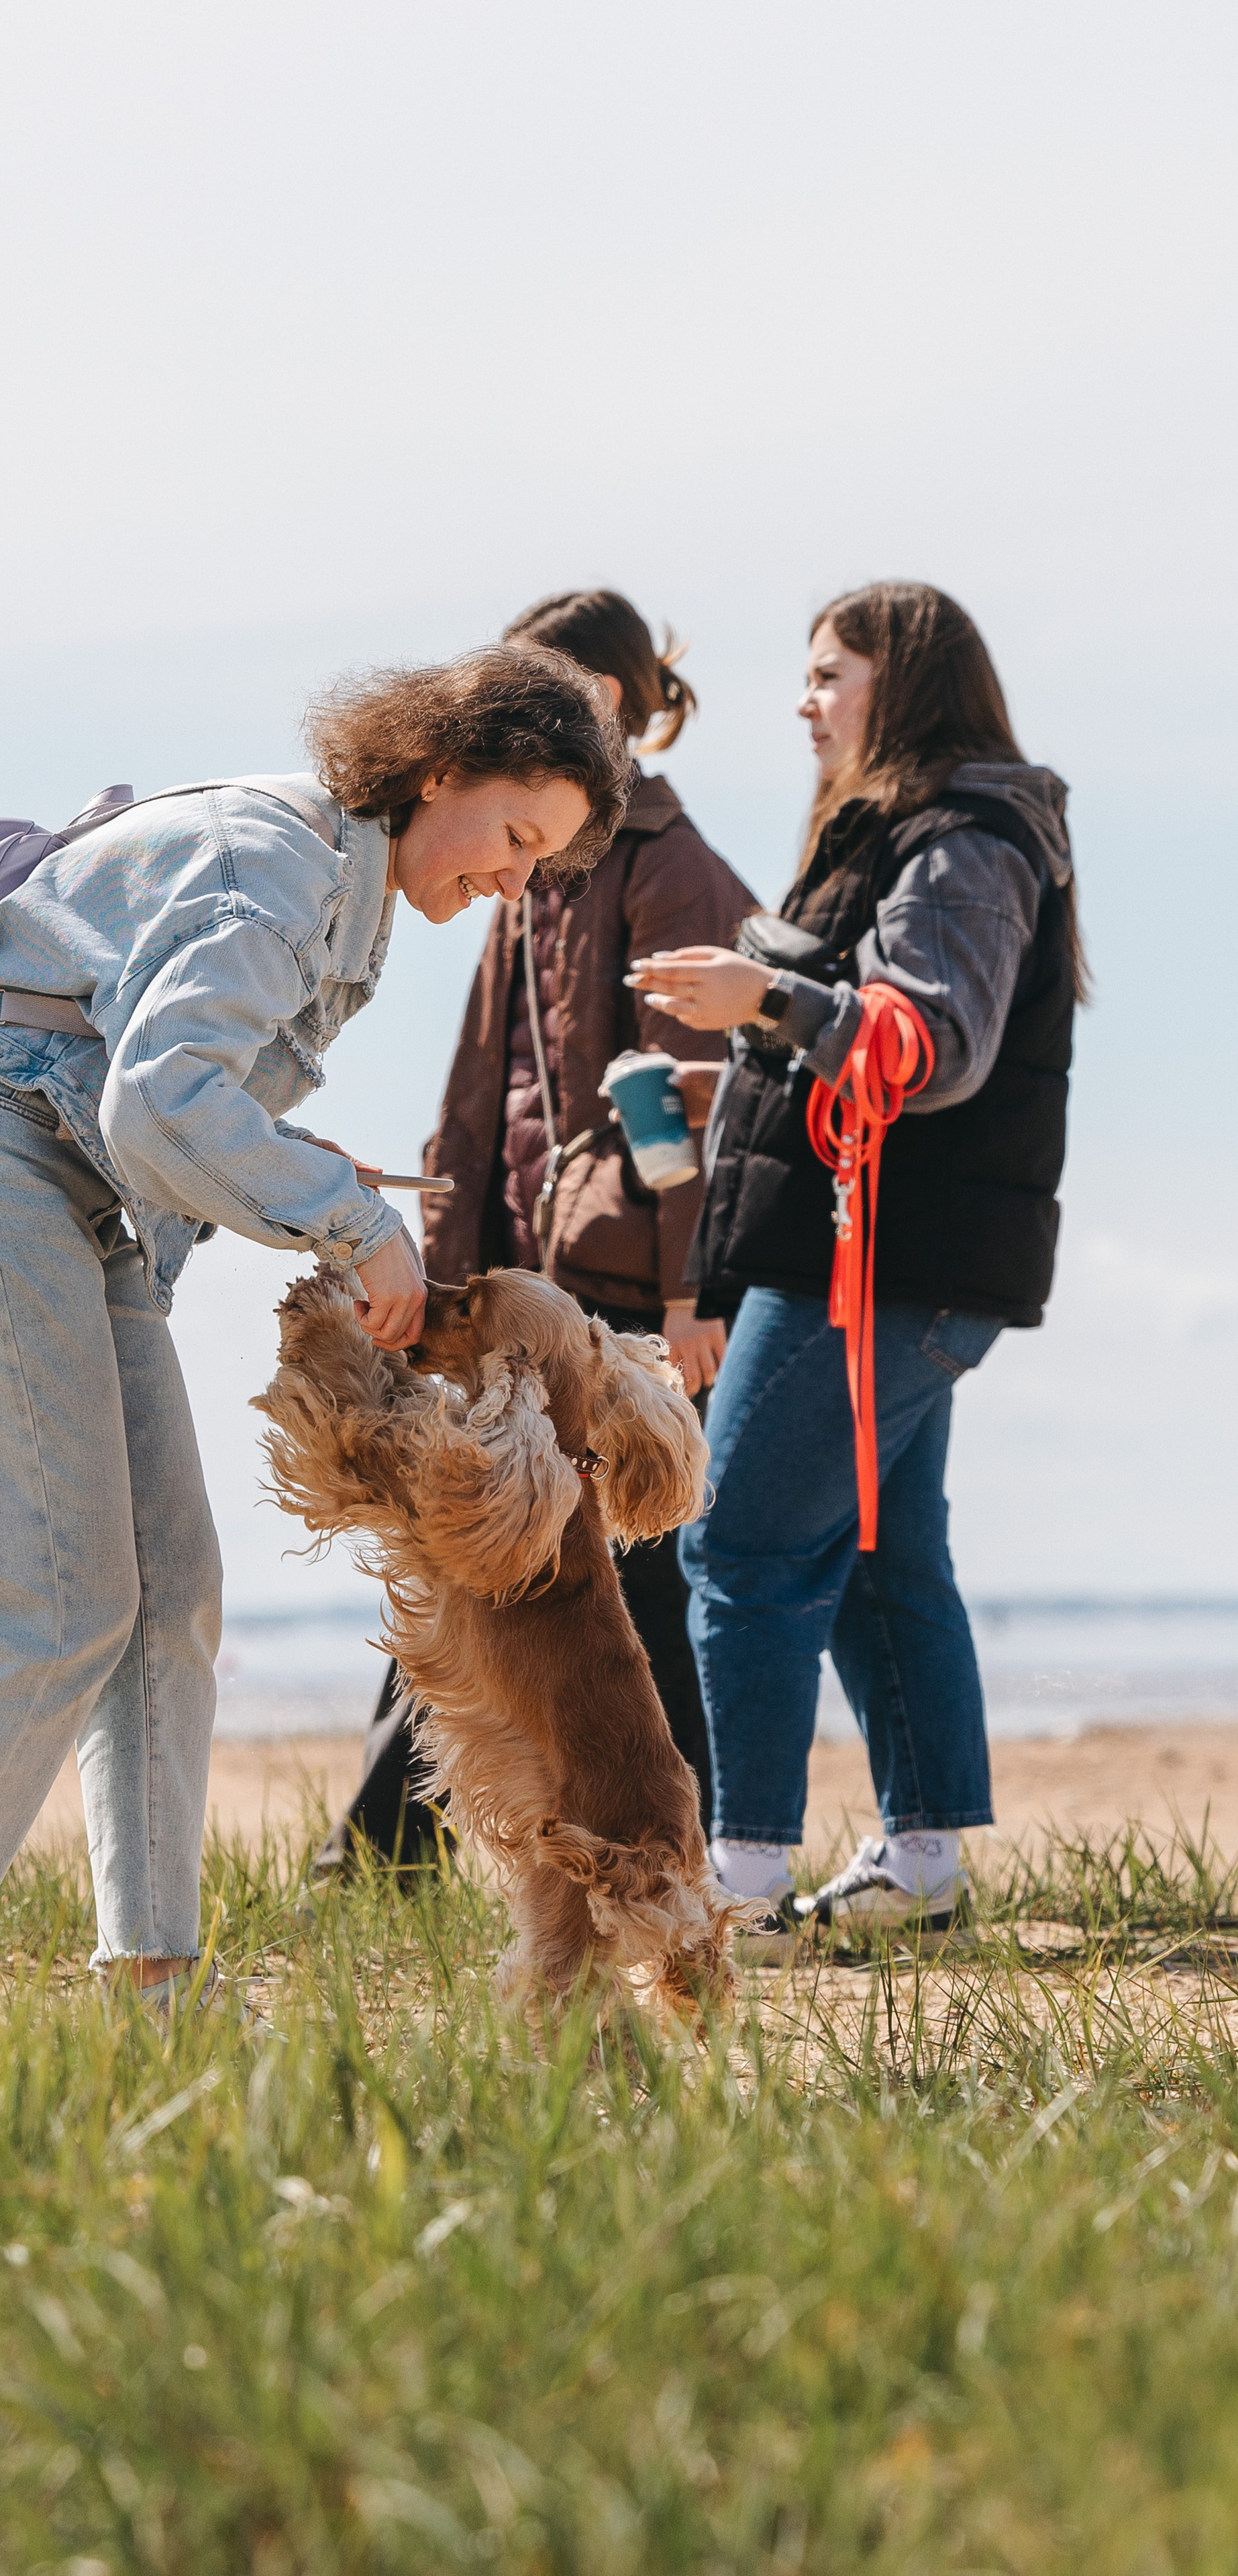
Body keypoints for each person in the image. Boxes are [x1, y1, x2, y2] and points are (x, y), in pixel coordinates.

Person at [0, 645, 631, 2012]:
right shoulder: (278, 865)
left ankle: (154, 1977)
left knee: (169, 1597)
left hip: (58, 1189)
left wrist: (288, 1163)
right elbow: (160, 1105)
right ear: (442, 770)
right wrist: (352, 1216)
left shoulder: (327, 873)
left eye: (541, 865)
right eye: (516, 838)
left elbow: (157, 1096)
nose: (514, 883)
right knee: (48, 1603)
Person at [630, 583, 1085, 1948]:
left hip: (881, 1266)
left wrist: (759, 995)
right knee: (879, 1558)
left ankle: (744, 1878)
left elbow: (929, 1041)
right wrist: (738, 1083)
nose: (802, 698)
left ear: (909, 683)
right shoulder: (907, 833)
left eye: (830, 672)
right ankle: (920, 1859)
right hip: (891, 1254)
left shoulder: (959, 835)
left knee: (739, 1540)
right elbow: (863, 1044)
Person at [315, 590, 756, 1877]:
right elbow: (480, 1082)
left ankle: (684, 1852)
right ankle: (394, 1844)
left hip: (629, 1286)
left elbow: (688, 1101)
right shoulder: (532, 872)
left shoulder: (671, 864)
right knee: (482, 1546)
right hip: (533, 1284)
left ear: (610, 700)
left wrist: (692, 1289)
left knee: (641, 1588)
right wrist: (441, 1268)